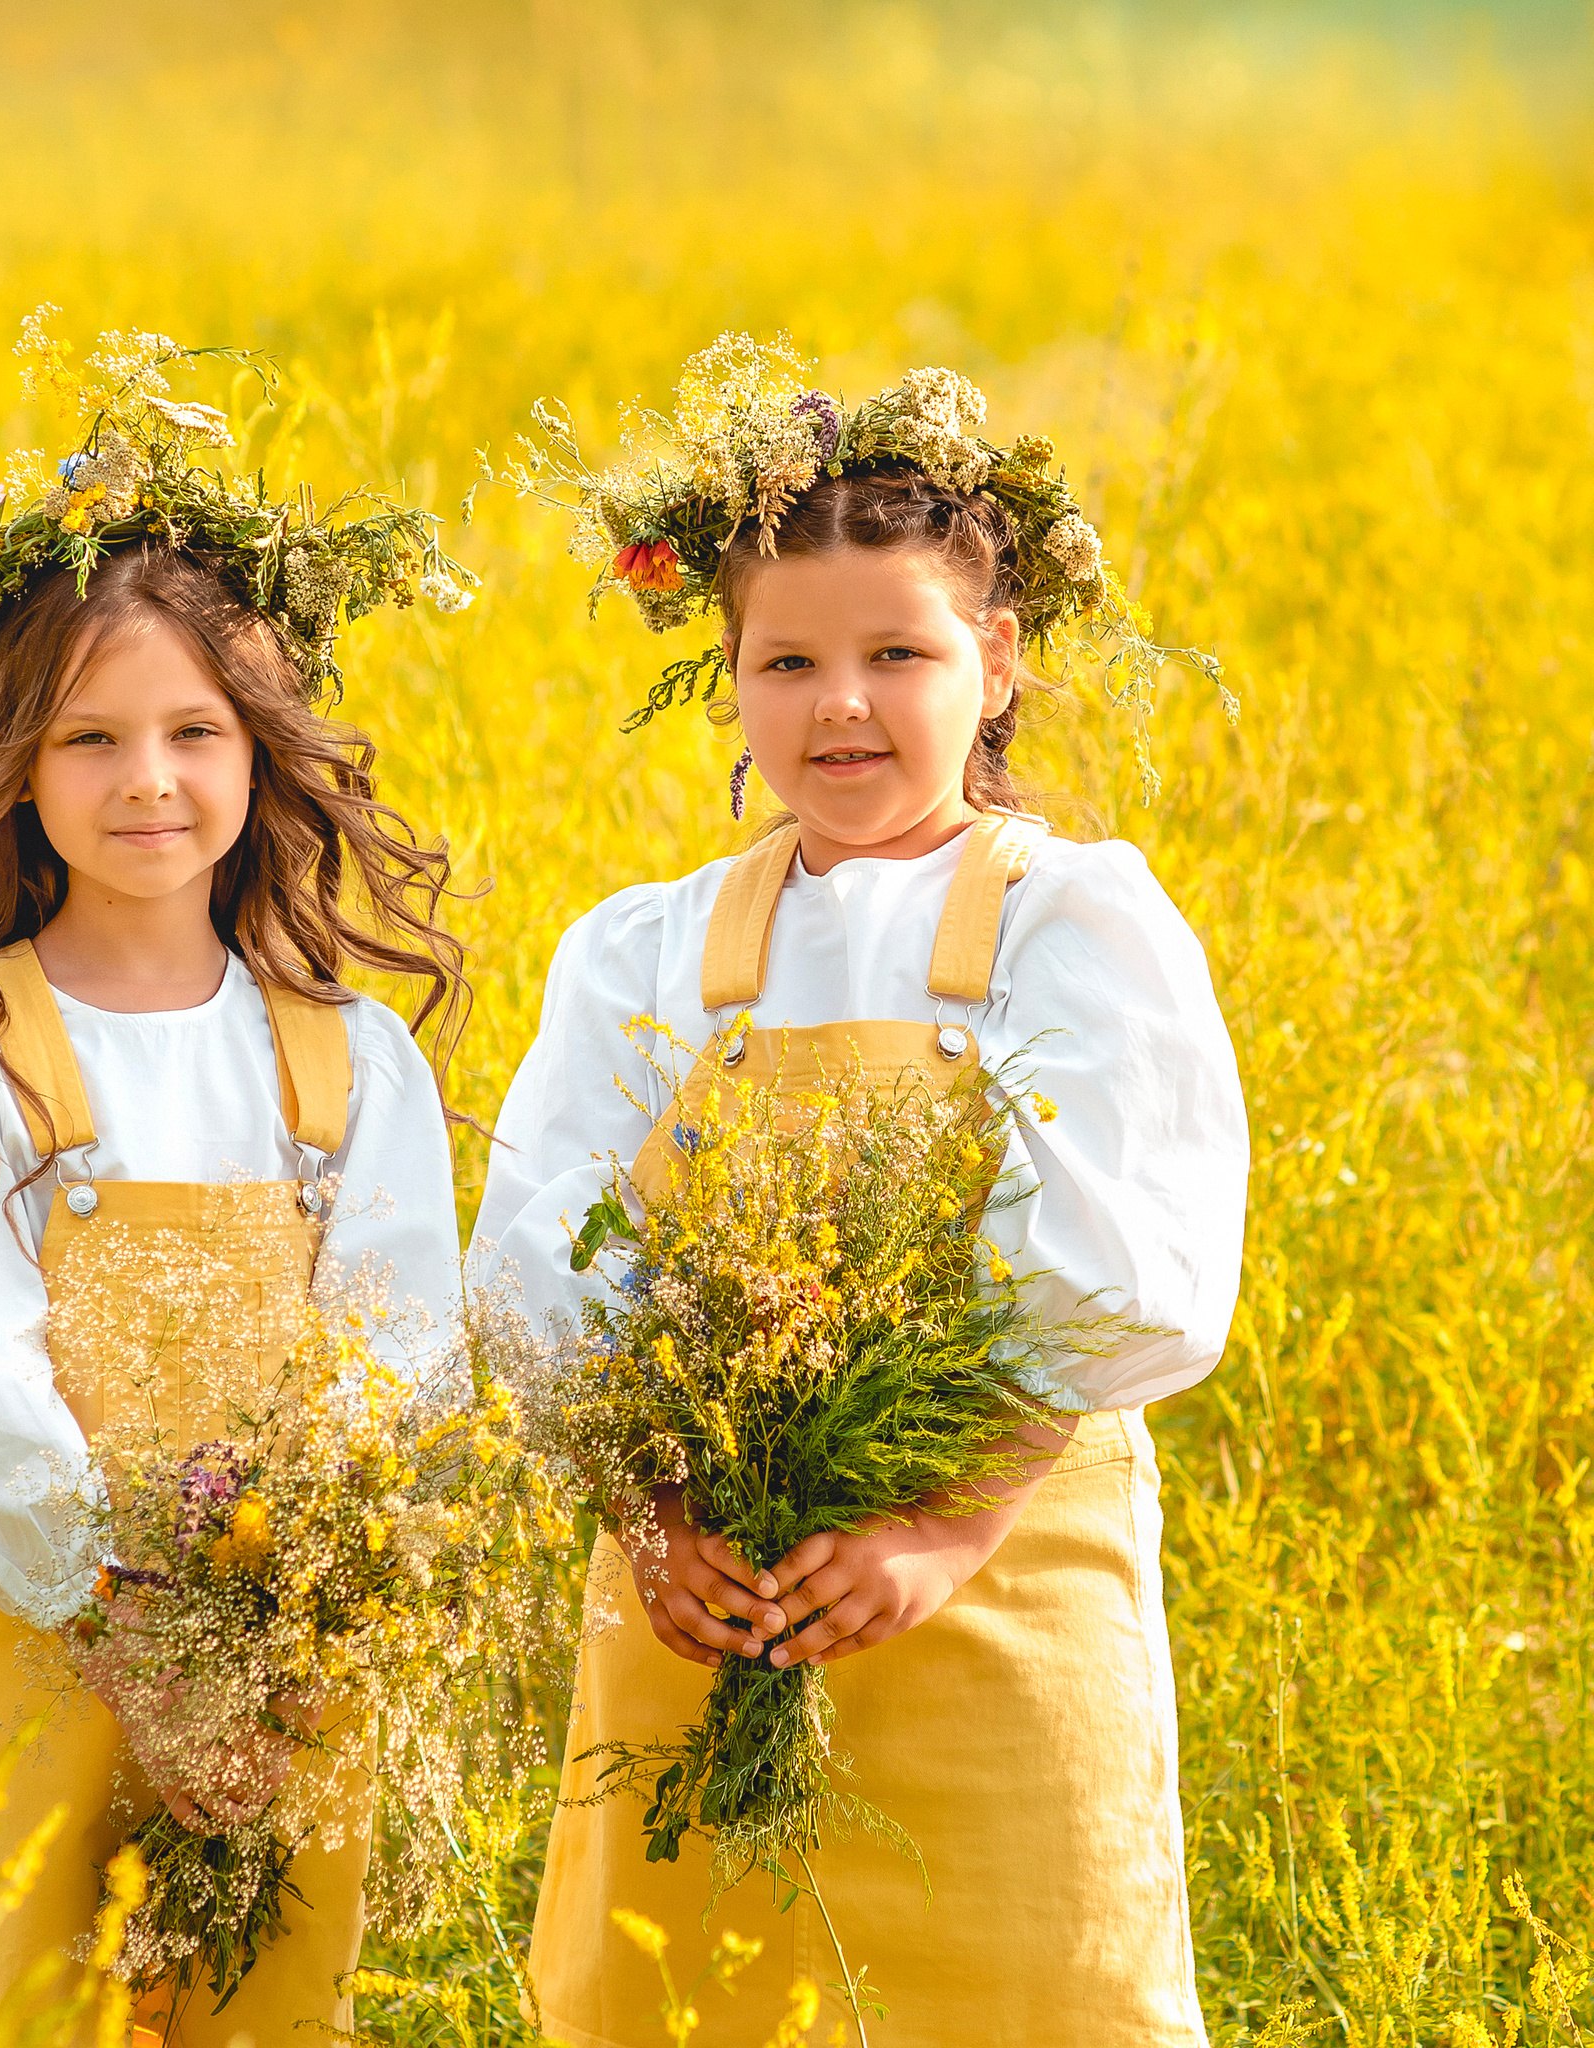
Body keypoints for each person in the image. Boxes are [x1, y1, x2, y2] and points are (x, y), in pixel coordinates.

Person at [478, 340, 1249, 2045]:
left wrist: (941, 1527)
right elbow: (544, 1259)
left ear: (998, 657)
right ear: (732, 679)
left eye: (898, 653)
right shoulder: (647, 952)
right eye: (789, 661)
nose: (841, 704)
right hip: (708, 1606)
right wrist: (656, 1523)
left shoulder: (1071, 924)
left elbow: (1123, 1262)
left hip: (999, 1583)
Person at [0, 322, 475, 2048]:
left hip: (284, 1683)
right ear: (10, 766)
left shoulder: (349, 1065)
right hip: (51, 1653)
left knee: (271, 2010)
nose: (150, 782)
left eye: (195, 730)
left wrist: (275, 1637)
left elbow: (400, 1361)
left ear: (263, 752)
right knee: (24, 2007)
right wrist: (137, 1638)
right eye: (89, 738)